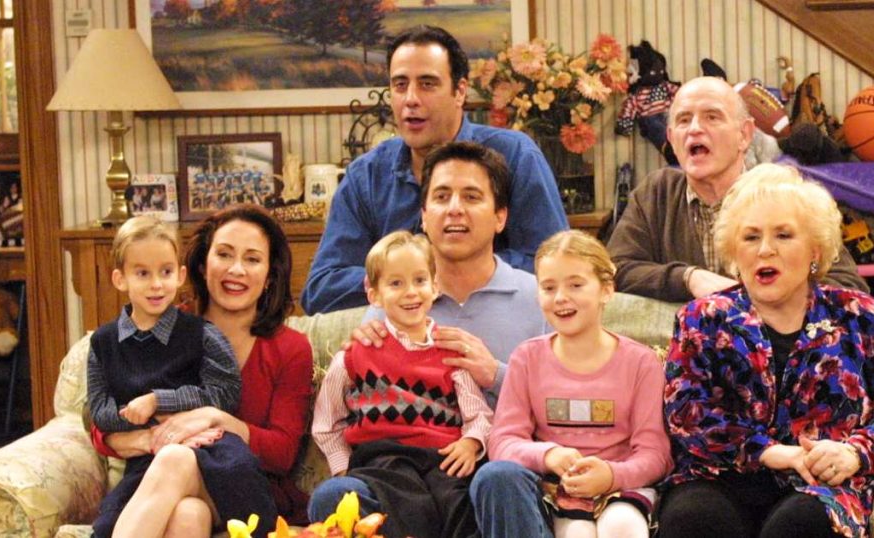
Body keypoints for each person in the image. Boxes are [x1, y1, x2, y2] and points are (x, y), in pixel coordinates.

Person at [657, 164, 874, 538]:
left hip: (821, 483)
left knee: (798, 526)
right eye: (750, 237)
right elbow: (686, 414)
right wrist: (769, 452)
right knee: (694, 520)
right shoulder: (700, 319)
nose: (765, 249)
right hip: (720, 476)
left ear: (815, 250)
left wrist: (855, 452)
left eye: (783, 235)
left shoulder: (862, 317)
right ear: (734, 252)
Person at [307, 142, 550, 523]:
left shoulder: (541, 297)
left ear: (500, 217)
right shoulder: (389, 309)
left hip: (496, 469)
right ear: (423, 216)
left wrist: (496, 375)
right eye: (441, 196)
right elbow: (354, 383)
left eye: (471, 196)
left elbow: (566, 398)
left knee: (498, 477)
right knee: (335, 496)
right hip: (399, 473)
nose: (454, 208)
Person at [301, 24, 568, 314]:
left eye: (427, 84)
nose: (411, 99)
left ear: (460, 91)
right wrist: (411, 277)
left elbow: (559, 268)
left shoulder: (516, 156)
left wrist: (461, 272)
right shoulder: (366, 176)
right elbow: (321, 290)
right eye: (400, 85)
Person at [90, 205, 314, 535]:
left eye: (252, 259)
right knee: (188, 514)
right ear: (201, 265)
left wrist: (213, 418)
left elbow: (282, 453)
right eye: (224, 254)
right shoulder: (162, 323)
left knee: (176, 459)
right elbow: (101, 421)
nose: (236, 269)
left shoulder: (290, 348)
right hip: (165, 482)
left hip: (243, 487)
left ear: (270, 276)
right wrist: (147, 439)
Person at [470, 230, 672, 538]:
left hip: (622, 487)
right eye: (548, 287)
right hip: (553, 490)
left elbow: (656, 453)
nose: (561, 297)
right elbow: (503, 441)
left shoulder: (641, 362)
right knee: (574, 530)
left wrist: (611, 475)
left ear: (607, 290)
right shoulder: (527, 357)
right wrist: (548, 455)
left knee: (621, 524)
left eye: (576, 285)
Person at [607, 76, 868, 303]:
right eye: (684, 120)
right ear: (672, 139)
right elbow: (614, 270)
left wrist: (772, 296)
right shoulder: (656, 193)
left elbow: (849, 286)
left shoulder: (784, 194)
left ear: (744, 135)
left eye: (712, 117)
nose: (695, 129)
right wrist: (689, 278)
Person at [312, 230, 493, 537]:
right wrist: (342, 467)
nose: (410, 292)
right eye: (396, 283)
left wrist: (471, 442)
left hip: (442, 458)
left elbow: (479, 414)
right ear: (374, 294)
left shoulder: (450, 351)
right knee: (404, 501)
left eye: (419, 280)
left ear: (435, 286)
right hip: (382, 458)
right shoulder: (354, 355)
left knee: (458, 502)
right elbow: (326, 423)